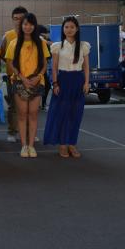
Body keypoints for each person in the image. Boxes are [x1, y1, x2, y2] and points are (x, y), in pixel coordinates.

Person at [44, 17, 90, 158]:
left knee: (75, 114)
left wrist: (86, 83)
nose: (69, 29)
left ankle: (72, 144)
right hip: (63, 81)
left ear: (77, 29)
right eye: (66, 27)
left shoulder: (83, 46)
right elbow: (54, 67)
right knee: (62, 113)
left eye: (72, 27)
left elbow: (86, 66)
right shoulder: (57, 46)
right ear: (63, 29)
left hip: (78, 81)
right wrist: (55, 83)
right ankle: (63, 145)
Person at [5, 13, 50, 158]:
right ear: (21, 25)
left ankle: (31, 146)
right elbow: (11, 63)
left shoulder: (41, 43)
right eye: (25, 24)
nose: (28, 27)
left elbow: (44, 64)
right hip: (20, 83)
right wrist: (22, 78)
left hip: (37, 82)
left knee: (34, 114)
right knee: (22, 114)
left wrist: (39, 76)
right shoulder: (14, 43)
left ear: (34, 26)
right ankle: (24, 146)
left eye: (31, 24)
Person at [0, 6, 28, 143]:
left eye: (21, 18)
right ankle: (12, 132)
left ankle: (28, 133)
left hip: (30, 78)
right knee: (14, 106)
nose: (18, 21)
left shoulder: (33, 36)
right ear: (12, 20)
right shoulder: (8, 36)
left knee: (30, 107)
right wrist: (14, 68)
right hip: (13, 77)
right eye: (16, 18)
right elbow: (2, 55)